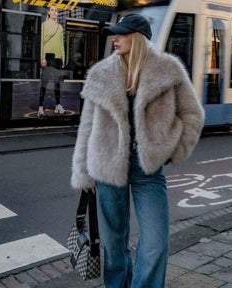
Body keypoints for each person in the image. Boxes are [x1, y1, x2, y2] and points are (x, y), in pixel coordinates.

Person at [71, 14, 205, 288]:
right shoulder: (101, 74)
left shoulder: (168, 69)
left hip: (148, 169)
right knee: (114, 244)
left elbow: (193, 115)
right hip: (107, 167)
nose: (115, 39)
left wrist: (170, 151)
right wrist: (84, 173)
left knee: (156, 242)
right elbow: (87, 126)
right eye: (114, 34)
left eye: (121, 34)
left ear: (139, 39)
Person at [38, 4, 65, 118]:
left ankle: (58, 105)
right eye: (52, 10)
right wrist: (42, 57)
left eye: (56, 10)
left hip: (58, 59)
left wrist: (63, 58)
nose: (54, 12)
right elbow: (41, 42)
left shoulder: (60, 27)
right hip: (48, 58)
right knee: (44, 83)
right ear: (48, 12)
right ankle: (40, 108)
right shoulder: (43, 25)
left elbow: (61, 44)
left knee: (57, 84)